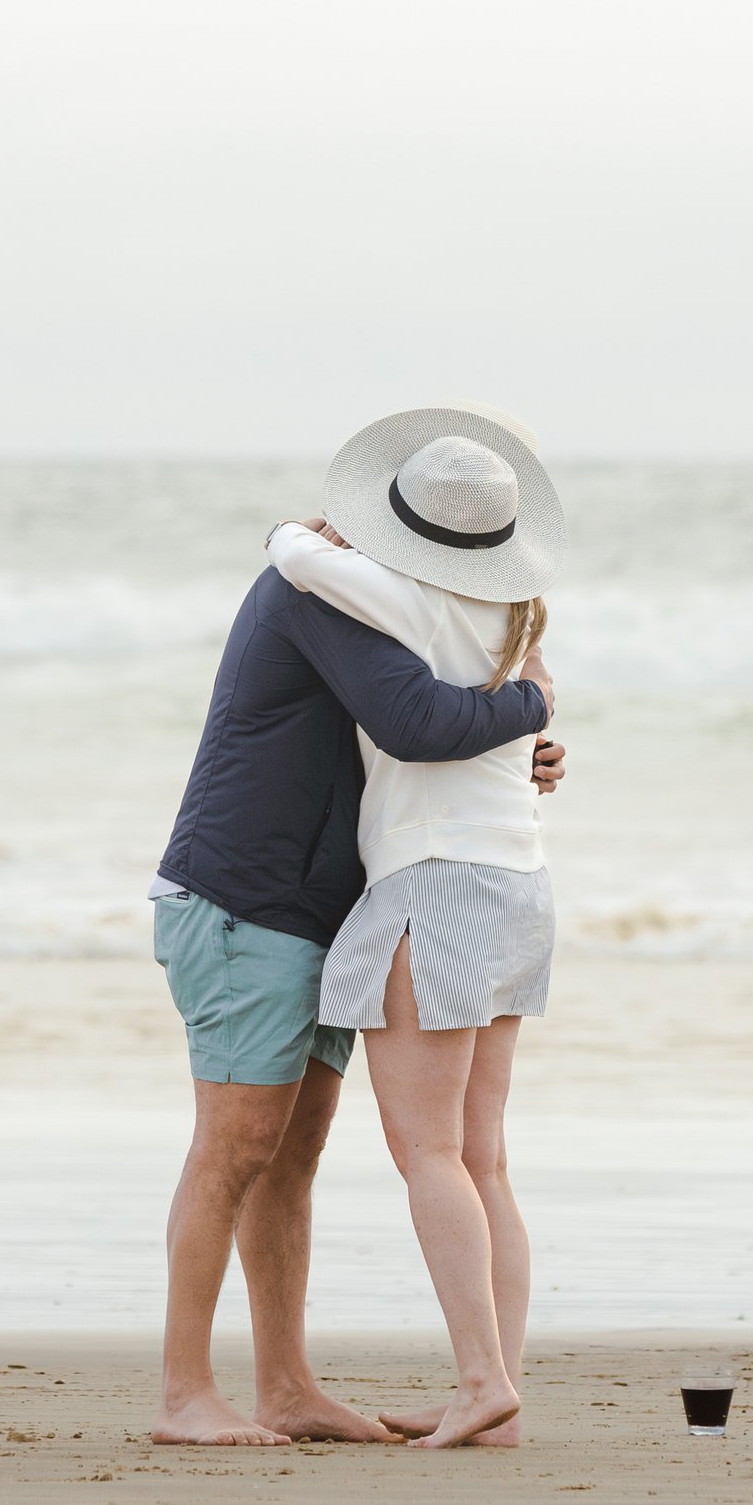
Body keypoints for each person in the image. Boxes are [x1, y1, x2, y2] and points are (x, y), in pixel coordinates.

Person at [147, 491, 565, 1447]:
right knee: (235, 1148)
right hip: (249, 899)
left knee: (291, 1156)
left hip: (336, 908)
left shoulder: (387, 601)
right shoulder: (324, 596)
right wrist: (528, 704)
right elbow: (416, 718)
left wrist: (519, 745)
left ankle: (287, 1389)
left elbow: (423, 721)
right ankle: (185, 1394)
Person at [261, 404, 562, 1449]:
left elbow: (294, 559)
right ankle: (496, 1391)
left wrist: (306, 527)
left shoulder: (400, 594)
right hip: (518, 882)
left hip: (433, 883)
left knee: (425, 1151)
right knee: (482, 1158)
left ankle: (481, 1379)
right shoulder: (516, 609)